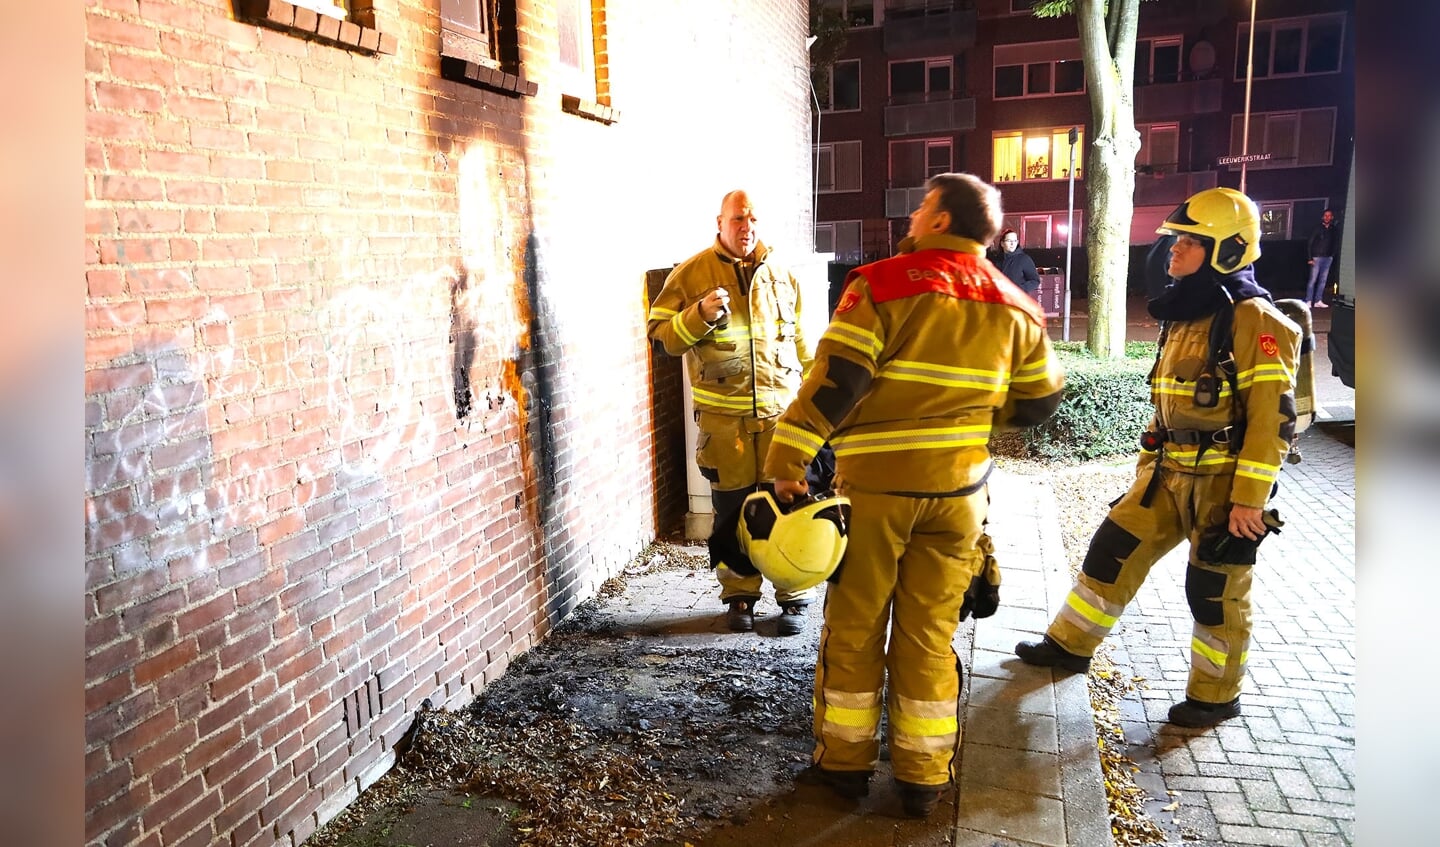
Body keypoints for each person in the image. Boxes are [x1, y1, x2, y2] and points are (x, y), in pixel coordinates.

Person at [764, 173, 1065, 817]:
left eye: (924, 205)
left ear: (939, 220)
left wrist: (787, 459)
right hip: (960, 496)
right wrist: (974, 427)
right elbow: (1040, 401)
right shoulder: (1016, 303)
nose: (914, 213)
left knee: (855, 622)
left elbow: (836, 383)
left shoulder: (881, 285)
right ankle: (924, 776)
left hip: (877, 490)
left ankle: (844, 764)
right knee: (929, 631)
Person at [1015, 187, 1301, 729]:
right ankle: (1069, 645)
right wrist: (1149, 462)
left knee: (1214, 591)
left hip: (1223, 485)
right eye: (1175, 241)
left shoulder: (1255, 320)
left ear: (1227, 250)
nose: (1173, 252)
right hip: (1165, 475)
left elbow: (1272, 420)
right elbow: (1166, 399)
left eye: (1189, 243)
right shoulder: (1186, 312)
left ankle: (1216, 696)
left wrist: (1249, 501)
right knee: (1111, 551)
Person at [647, 189, 817, 636]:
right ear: (719, 223)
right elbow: (661, 334)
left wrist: (822, 400)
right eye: (739, 218)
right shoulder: (691, 273)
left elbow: (804, 343)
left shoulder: (783, 274)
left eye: (754, 219)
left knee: (788, 506)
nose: (747, 227)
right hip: (725, 427)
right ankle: (739, 596)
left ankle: (792, 591)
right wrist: (697, 316)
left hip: (782, 421)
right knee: (732, 513)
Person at [992, 228, 1041, 300]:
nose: (1012, 243)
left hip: (1018, 302)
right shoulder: (997, 260)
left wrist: (1018, 289)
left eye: (1015, 241)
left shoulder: (1024, 259)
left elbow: (1035, 281)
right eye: (1009, 241)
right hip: (1000, 302)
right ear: (1002, 243)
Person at [1304, 208, 1338, 308]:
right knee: (1312, 280)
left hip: (1327, 258)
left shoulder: (1333, 229)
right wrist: (1310, 258)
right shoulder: (1317, 228)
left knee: (1323, 281)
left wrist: (1332, 255)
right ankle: (1308, 300)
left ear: (1332, 217)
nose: (1327, 217)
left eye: (1329, 215)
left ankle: (1318, 300)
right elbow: (1310, 243)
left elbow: (1335, 243)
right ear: (1322, 217)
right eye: (1325, 215)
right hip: (1316, 257)